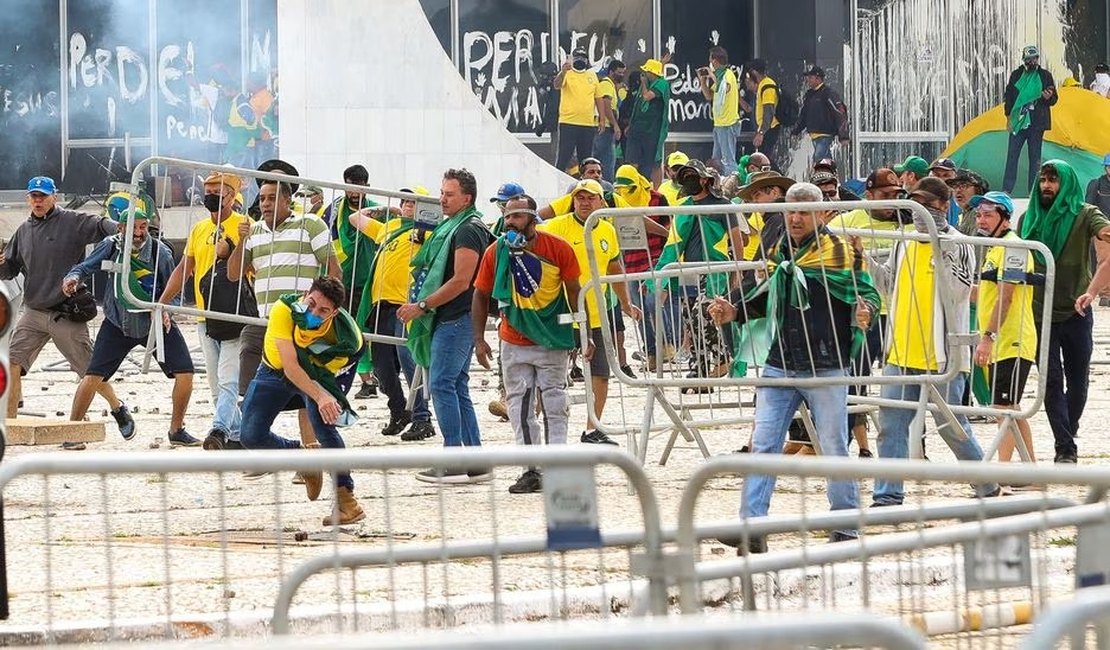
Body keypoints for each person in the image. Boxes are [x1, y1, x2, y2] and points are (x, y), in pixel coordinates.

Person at [708, 182, 880, 553]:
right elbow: (770, 296)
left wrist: (864, 312)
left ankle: (846, 524)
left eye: (803, 211)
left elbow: (866, 293)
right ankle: (752, 527)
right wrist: (735, 311)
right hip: (779, 363)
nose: (796, 218)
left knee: (834, 444)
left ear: (822, 214)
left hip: (826, 364)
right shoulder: (778, 249)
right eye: (791, 211)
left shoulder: (841, 251)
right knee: (764, 445)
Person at [872, 177, 997, 505]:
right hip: (901, 350)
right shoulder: (904, 242)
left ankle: (986, 483)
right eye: (915, 201)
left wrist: (940, 248)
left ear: (944, 206)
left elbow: (959, 292)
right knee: (891, 425)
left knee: (952, 426)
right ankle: (888, 495)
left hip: (944, 354)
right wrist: (864, 262)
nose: (920, 210)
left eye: (927, 203)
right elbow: (887, 284)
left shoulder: (959, 242)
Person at [0, 176, 133, 442]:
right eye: (33, 196)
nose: (37, 201)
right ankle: (11, 428)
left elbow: (105, 228)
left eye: (42, 196)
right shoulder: (23, 231)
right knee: (12, 363)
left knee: (89, 371)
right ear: (28, 199)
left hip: (66, 312)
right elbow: (9, 270)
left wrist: (123, 228)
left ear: (55, 197)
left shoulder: (73, 221)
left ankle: (117, 407)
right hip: (34, 311)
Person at [472, 195, 582, 493]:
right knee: (520, 408)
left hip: (552, 339)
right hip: (513, 339)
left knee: (555, 404)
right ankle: (531, 470)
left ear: (533, 218)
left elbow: (575, 293)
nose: (510, 222)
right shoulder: (496, 252)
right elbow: (481, 294)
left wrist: (583, 334)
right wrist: (480, 339)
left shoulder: (558, 248)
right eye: (507, 216)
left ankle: (556, 468)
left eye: (517, 216)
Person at [225, 172, 341, 453]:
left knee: (308, 394)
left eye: (272, 198)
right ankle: (280, 452)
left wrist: (328, 316)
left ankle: (312, 455)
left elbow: (333, 269)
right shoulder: (253, 232)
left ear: (288, 200)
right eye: (262, 198)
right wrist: (241, 241)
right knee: (253, 390)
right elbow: (232, 273)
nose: (265, 204)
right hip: (267, 324)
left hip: (305, 324)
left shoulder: (310, 224)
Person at [62, 203, 195, 445]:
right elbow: (85, 266)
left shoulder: (160, 253)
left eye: (144, 227)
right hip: (117, 323)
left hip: (153, 320)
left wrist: (167, 311)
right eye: (134, 227)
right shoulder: (111, 246)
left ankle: (177, 431)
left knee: (185, 373)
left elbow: (175, 288)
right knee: (92, 376)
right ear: (122, 227)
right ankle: (74, 432)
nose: (139, 232)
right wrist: (73, 277)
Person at [239, 276, 366, 526]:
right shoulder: (283, 309)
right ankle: (303, 458)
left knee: (325, 428)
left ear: (335, 313)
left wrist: (324, 397)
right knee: (250, 435)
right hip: (275, 370)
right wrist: (320, 396)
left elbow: (326, 371)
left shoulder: (347, 338)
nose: (313, 312)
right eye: (311, 304)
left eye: (323, 311)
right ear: (306, 293)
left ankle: (347, 501)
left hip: (318, 375)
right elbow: (290, 367)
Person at [401, 169, 494, 483]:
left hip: (456, 316)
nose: (442, 199)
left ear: (467, 198)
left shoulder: (467, 230)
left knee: (441, 384)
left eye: (449, 194)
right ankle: (475, 458)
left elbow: (461, 280)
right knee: (455, 386)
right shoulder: (460, 226)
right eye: (442, 192)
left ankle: (453, 458)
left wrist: (422, 306)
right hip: (458, 317)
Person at [538, 179, 641, 445]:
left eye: (590, 198)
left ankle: (592, 427)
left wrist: (627, 303)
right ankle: (537, 424)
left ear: (601, 201)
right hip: (562, 312)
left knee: (601, 374)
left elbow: (615, 270)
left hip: (597, 314)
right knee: (551, 374)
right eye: (579, 198)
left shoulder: (607, 229)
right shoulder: (556, 226)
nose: (584, 202)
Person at [1021, 160, 1110, 463]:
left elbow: (1107, 236)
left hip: (1077, 310)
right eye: (1043, 180)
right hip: (1037, 311)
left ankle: (1067, 430)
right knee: (1050, 380)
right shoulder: (1028, 218)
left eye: (1053, 180)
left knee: (1079, 380)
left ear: (1067, 183)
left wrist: (1093, 290)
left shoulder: (1086, 214)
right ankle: (1065, 446)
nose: (1047, 186)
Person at [158, 171, 251, 449]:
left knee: (228, 379)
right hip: (204, 316)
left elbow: (250, 268)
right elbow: (185, 268)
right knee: (215, 384)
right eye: (207, 190)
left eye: (216, 192)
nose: (209, 196)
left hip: (236, 316)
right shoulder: (199, 229)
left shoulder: (246, 225)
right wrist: (164, 302)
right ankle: (236, 436)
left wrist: (234, 247)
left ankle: (219, 429)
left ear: (232, 197)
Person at [350, 187, 437, 442]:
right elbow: (355, 218)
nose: (407, 205)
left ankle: (422, 417)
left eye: (413, 201)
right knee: (382, 366)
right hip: (380, 305)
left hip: (407, 305)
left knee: (408, 358)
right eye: (404, 201)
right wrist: (389, 210)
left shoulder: (429, 231)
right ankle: (399, 410)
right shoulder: (389, 227)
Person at [656, 160, 749, 382]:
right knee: (690, 320)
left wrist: (738, 269)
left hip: (715, 270)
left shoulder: (721, 205)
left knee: (706, 313)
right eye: (684, 177)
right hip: (688, 270)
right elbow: (674, 243)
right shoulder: (684, 208)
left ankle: (722, 357)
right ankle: (699, 367)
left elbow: (737, 240)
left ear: (704, 180)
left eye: (692, 176)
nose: (688, 181)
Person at [969, 191, 1037, 465]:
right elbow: (986, 293)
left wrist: (988, 337)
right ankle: (1033, 474)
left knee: (1003, 410)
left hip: (1012, 340)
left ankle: (1003, 475)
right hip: (1003, 341)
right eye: (979, 215)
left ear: (1005, 219)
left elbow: (1006, 297)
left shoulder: (1014, 247)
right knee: (1011, 410)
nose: (981, 221)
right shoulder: (996, 247)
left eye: (988, 215)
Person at [325, 164, 381, 399]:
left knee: (363, 330)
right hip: (340, 281)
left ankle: (367, 379)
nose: (354, 192)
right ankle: (337, 377)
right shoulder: (333, 211)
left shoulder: (376, 210)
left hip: (368, 280)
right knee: (340, 330)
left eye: (359, 186)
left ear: (366, 187)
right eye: (350, 186)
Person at [613, 164, 676, 370]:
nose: (624, 193)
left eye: (629, 188)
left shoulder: (657, 199)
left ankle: (667, 344)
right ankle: (650, 353)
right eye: (620, 189)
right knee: (638, 310)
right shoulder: (616, 202)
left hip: (656, 259)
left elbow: (669, 228)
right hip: (631, 263)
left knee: (653, 302)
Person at [1003, 46, 1058, 195]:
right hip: (1018, 122)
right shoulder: (1016, 75)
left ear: (1037, 59)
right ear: (1024, 60)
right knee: (1012, 156)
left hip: (1037, 123)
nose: (1031, 62)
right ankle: (1007, 190)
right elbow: (1009, 97)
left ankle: (1033, 192)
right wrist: (1008, 117)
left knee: (1035, 159)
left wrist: (1048, 98)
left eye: (1034, 59)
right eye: (1028, 59)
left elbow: (1054, 99)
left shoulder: (1045, 75)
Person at [625, 58, 671, 185]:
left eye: (646, 72)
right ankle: (632, 185)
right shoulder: (645, 84)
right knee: (633, 159)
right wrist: (630, 124)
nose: (644, 74)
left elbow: (647, 97)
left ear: (652, 74)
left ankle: (657, 190)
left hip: (652, 130)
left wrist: (644, 83)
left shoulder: (661, 84)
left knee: (654, 162)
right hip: (637, 129)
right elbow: (638, 105)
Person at [791, 66, 848, 166]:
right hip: (814, 134)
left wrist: (843, 136)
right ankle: (830, 176)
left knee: (819, 157)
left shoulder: (828, 93)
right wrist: (796, 131)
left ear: (818, 78)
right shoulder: (809, 94)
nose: (808, 80)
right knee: (825, 158)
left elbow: (840, 113)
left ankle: (823, 176)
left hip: (825, 133)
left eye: (810, 77)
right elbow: (804, 115)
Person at [554, 47, 599, 174]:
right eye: (577, 58)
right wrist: (562, 72)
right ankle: (558, 182)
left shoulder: (592, 75)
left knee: (585, 159)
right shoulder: (567, 73)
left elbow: (598, 97)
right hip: (568, 122)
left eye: (582, 58)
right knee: (564, 156)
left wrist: (601, 118)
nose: (580, 60)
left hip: (587, 123)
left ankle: (585, 184)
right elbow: (556, 85)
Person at [697, 46, 741, 175]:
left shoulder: (727, 75)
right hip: (719, 123)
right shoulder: (719, 77)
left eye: (710, 59)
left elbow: (724, 88)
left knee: (728, 161)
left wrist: (711, 75)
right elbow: (709, 96)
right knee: (716, 161)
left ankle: (732, 186)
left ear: (715, 60)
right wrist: (703, 81)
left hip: (728, 123)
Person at [593, 59, 626, 182]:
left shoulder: (610, 85)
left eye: (623, 73)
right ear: (611, 72)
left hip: (606, 129)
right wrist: (615, 125)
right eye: (619, 72)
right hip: (605, 129)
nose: (622, 75)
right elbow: (607, 105)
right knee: (607, 162)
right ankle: (607, 189)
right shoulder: (606, 84)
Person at [744, 59, 781, 168]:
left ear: (754, 72)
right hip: (765, 128)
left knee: (764, 159)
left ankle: (780, 178)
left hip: (769, 128)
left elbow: (768, 111)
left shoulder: (767, 86)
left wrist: (761, 133)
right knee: (763, 157)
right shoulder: (762, 85)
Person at [951, 169, 991, 236]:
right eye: (954, 186)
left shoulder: (978, 213)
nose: (957, 190)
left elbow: (976, 244)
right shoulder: (964, 213)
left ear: (978, 190)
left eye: (963, 186)